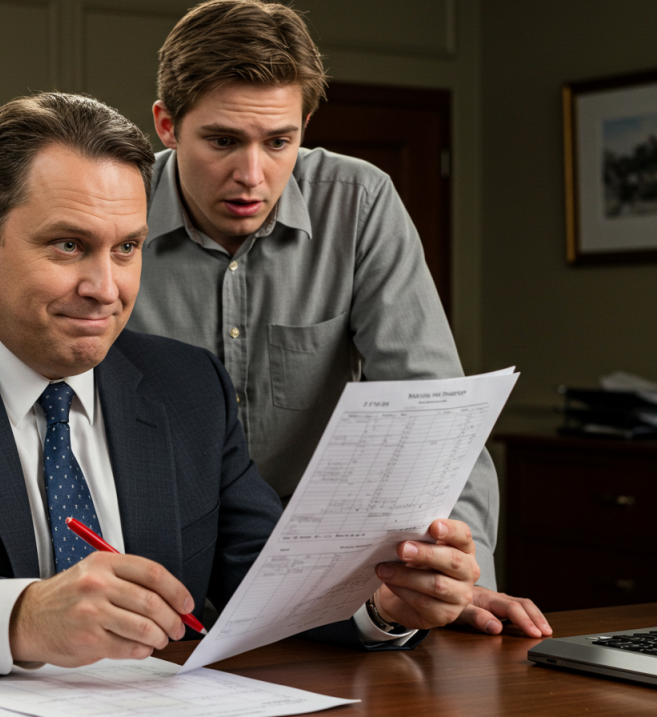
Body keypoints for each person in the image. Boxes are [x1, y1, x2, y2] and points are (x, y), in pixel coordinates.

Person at [0, 92, 481, 685]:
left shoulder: (187, 384)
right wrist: (22, 616)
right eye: (69, 245)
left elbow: (271, 582)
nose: (105, 288)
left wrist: (383, 605)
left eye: (127, 247)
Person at [126, 0, 551, 638]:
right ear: (166, 125)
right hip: (153, 565)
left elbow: (436, 419)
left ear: (305, 124)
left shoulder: (360, 203)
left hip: (328, 580)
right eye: (222, 141)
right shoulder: (116, 211)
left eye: (278, 142)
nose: (251, 175)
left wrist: (457, 581)